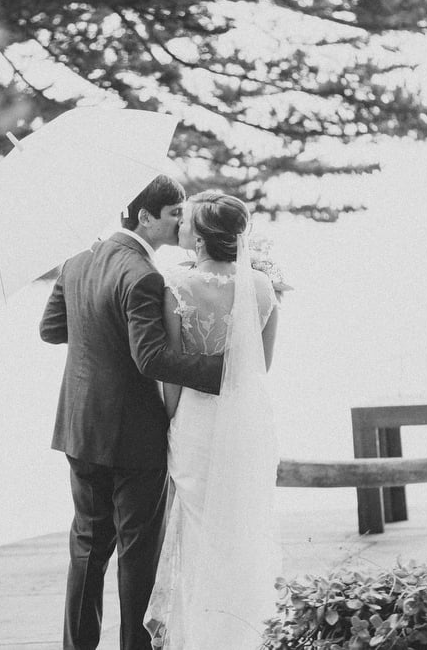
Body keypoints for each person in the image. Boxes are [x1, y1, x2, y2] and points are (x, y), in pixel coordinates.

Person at [39, 175, 224, 650]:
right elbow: (152, 359)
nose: (182, 220)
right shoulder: (143, 275)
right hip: (133, 436)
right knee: (138, 556)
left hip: (79, 429)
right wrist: (223, 372)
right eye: (174, 213)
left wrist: (97, 327)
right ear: (145, 216)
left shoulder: (79, 260)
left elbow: (52, 329)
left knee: (87, 547)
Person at [145, 190, 282, 650]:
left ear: (201, 240)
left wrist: (169, 424)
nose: (180, 226)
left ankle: (203, 636)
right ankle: (248, 634)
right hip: (246, 425)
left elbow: (175, 374)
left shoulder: (177, 287)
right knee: (241, 530)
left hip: (197, 425)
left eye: (186, 222)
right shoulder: (262, 288)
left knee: (200, 534)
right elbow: (260, 369)